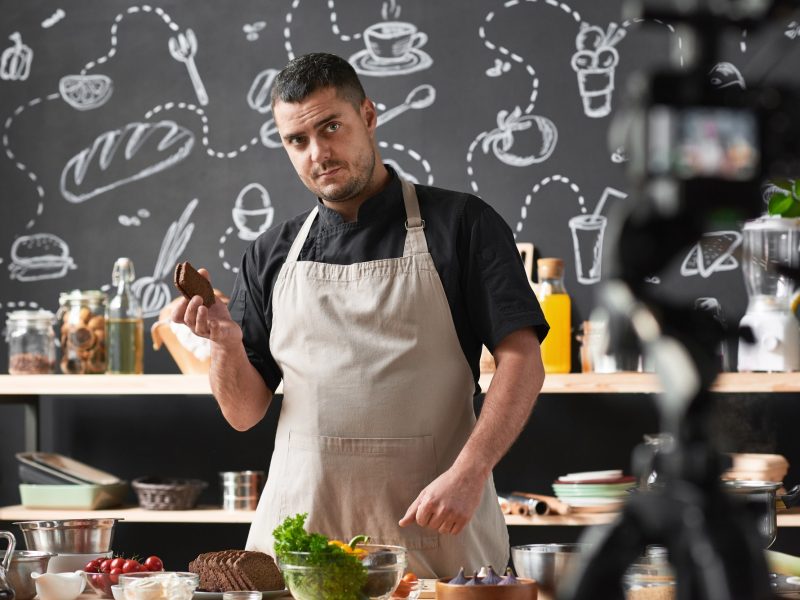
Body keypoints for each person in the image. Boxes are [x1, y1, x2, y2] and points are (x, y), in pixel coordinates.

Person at [173, 52, 547, 578]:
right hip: (298, 546)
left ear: (368, 117)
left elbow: (523, 360)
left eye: (331, 127)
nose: (318, 153)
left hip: (433, 533)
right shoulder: (269, 253)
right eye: (296, 141)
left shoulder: (462, 225)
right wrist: (225, 345)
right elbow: (243, 412)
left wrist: (471, 472)